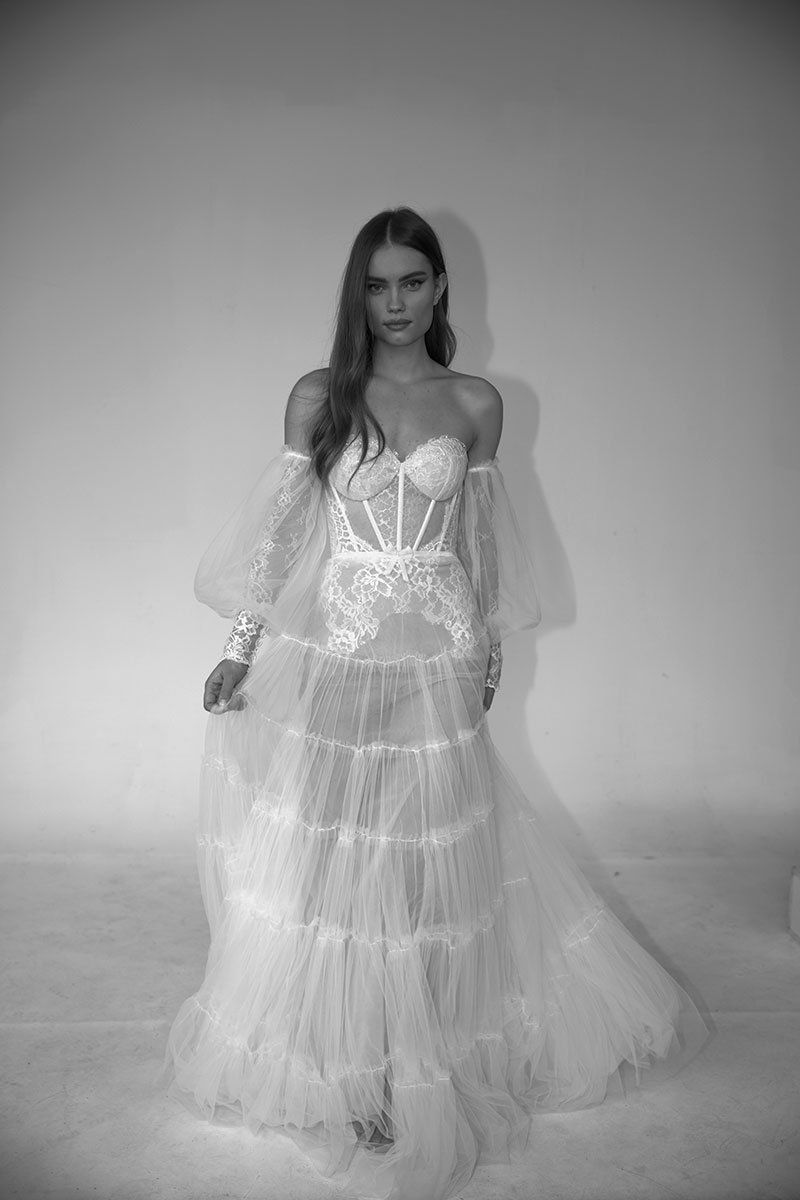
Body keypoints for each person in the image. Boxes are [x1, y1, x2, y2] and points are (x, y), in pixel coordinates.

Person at [159, 207, 708, 1200]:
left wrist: (486, 645)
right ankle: (354, 1060)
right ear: (357, 295)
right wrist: (240, 647)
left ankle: (414, 1062)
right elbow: (281, 537)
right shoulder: (321, 396)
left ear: (440, 287)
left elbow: (480, 541)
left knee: (422, 863)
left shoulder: (474, 401)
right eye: (376, 286)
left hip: (440, 652)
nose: (395, 303)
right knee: (337, 854)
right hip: (343, 648)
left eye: (411, 281)